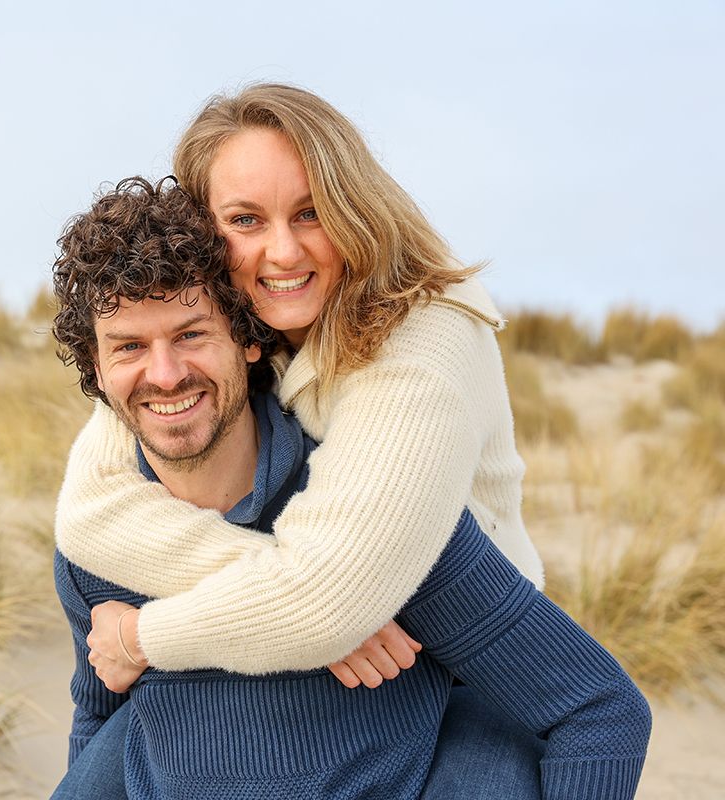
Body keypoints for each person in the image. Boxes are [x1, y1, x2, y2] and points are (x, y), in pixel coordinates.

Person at [47, 177, 649, 800]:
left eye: (192, 335)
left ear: (250, 339)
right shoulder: (99, 550)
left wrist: (330, 605)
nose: (165, 375)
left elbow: (598, 713)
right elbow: (98, 717)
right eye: (128, 347)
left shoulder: (376, 519)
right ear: (95, 368)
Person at [55, 83, 548, 687]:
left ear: (353, 209)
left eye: (310, 212)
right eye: (245, 220)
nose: (283, 252)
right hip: (346, 649)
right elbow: (89, 512)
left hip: (474, 667)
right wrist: (271, 577)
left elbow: (324, 603)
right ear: (205, 230)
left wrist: (139, 637)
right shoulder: (224, 322)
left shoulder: (425, 341)